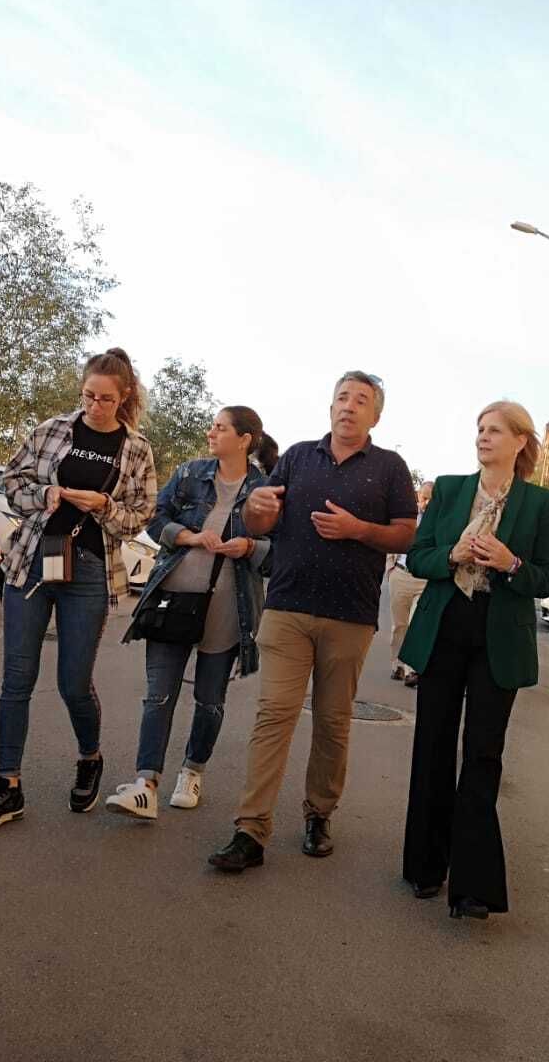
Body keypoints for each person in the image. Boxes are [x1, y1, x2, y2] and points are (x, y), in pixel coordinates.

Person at [206, 371, 417, 872]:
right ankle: (250, 829)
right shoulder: (298, 456)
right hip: (287, 607)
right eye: (342, 397)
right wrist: (257, 509)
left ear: (375, 415)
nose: (348, 406)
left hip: (350, 615)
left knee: (332, 721)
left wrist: (358, 529)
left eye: (360, 400)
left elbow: (407, 535)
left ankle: (318, 814)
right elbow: (263, 521)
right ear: (330, 407)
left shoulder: (390, 467)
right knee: (273, 714)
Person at [0, 349, 157, 830]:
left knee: (74, 682)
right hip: (35, 558)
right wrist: (44, 495)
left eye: (106, 399)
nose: (95, 405)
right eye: (88, 395)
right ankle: (8, 784)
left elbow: (141, 515)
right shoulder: (53, 430)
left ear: (125, 397)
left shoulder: (136, 449)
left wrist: (105, 506)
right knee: (17, 678)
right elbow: (12, 481)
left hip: (89, 568)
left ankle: (89, 757)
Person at [397, 402, 549, 920]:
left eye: (495, 431)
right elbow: (417, 556)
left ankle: (472, 886)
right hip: (446, 627)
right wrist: (452, 555)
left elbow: (548, 578)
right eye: (480, 430)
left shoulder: (538, 503)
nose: (484, 438)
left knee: (483, 756)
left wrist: (511, 562)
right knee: (433, 745)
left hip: (499, 636)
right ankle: (425, 867)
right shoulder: (448, 489)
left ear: (519, 442)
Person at [104, 407, 279, 819]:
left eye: (220, 427)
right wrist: (187, 536)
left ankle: (192, 770)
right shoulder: (190, 473)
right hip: (173, 602)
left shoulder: (265, 489)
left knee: (209, 700)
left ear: (245, 439)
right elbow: (154, 518)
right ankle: (146, 784)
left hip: (227, 612)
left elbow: (281, 553)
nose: (211, 432)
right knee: (158, 695)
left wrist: (251, 548)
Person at [387, 480, 434, 686]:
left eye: (430, 500)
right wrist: (390, 568)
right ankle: (396, 664)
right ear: (418, 496)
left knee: (417, 624)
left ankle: (411, 670)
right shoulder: (407, 517)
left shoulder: (439, 522)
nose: (425, 503)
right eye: (423, 498)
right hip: (401, 575)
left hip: (424, 579)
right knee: (400, 625)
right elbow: (390, 537)